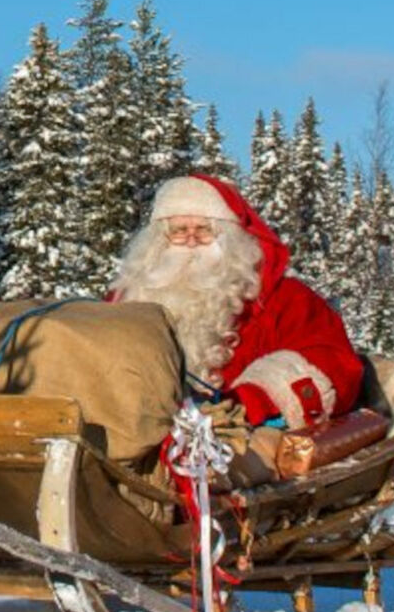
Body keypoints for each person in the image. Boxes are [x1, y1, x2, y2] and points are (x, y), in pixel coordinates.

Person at [110, 174, 364, 428]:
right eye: (178, 231)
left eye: (204, 230)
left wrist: (253, 400)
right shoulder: (128, 298)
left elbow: (334, 362)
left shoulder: (285, 298)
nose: (191, 240)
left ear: (230, 236)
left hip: (239, 444)